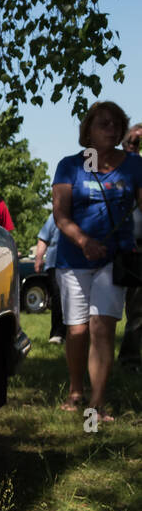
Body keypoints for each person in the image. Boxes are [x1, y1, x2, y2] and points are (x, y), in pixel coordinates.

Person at [52, 101, 142, 419]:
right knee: (77, 331)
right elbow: (60, 214)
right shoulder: (71, 166)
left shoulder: (133, 165)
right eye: (103, 123)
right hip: (74, 258)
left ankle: (97, 404)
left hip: (114, 259)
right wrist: (83, 240)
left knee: (101, 328)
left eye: (116, 124)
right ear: (88, 129)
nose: (111, 129)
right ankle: (76, 389)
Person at [120, 124, 142, 372]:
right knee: (129, 306)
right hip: (127, 246)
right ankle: (129, 359)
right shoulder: (121, 168)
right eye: (134, 142)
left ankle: (131, 357)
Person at [34, 213, 66, 343]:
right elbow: (43, 238)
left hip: (77, 264)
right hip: (55, 263)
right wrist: (39, 258)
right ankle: (57, 333)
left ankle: (73, 333)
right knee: (58, 297)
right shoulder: (55, 216)